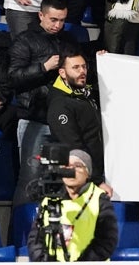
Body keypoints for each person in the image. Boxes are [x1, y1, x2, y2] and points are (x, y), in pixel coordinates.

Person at [8, 0, 77, 202]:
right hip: (33, 119)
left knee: (57, 186)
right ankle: (19, 233)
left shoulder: (69, 41)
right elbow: (13, 78)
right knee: (30, 183)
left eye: (62, 20)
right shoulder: (24, 40)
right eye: (53, 20)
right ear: (41, 15)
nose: (58, 25)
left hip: (62, 121)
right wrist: (43, 67)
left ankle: (51, 233)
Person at [27, 148, 118, 262]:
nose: (71, 170)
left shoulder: (100, 199)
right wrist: (46, 264)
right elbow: (35, 239)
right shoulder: (50, 198)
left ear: (87, 173)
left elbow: (107, 241)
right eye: (66, 166)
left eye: (77, 166)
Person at [46, 49, 109, 194]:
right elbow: (73, 147)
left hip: (96, 173)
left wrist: (104, 60)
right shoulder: (60, 104)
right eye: (76, 67)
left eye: (84, 66)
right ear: (62, 73)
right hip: (78, 181)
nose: (83, 71)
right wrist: (96, 181)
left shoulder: (85, 94)